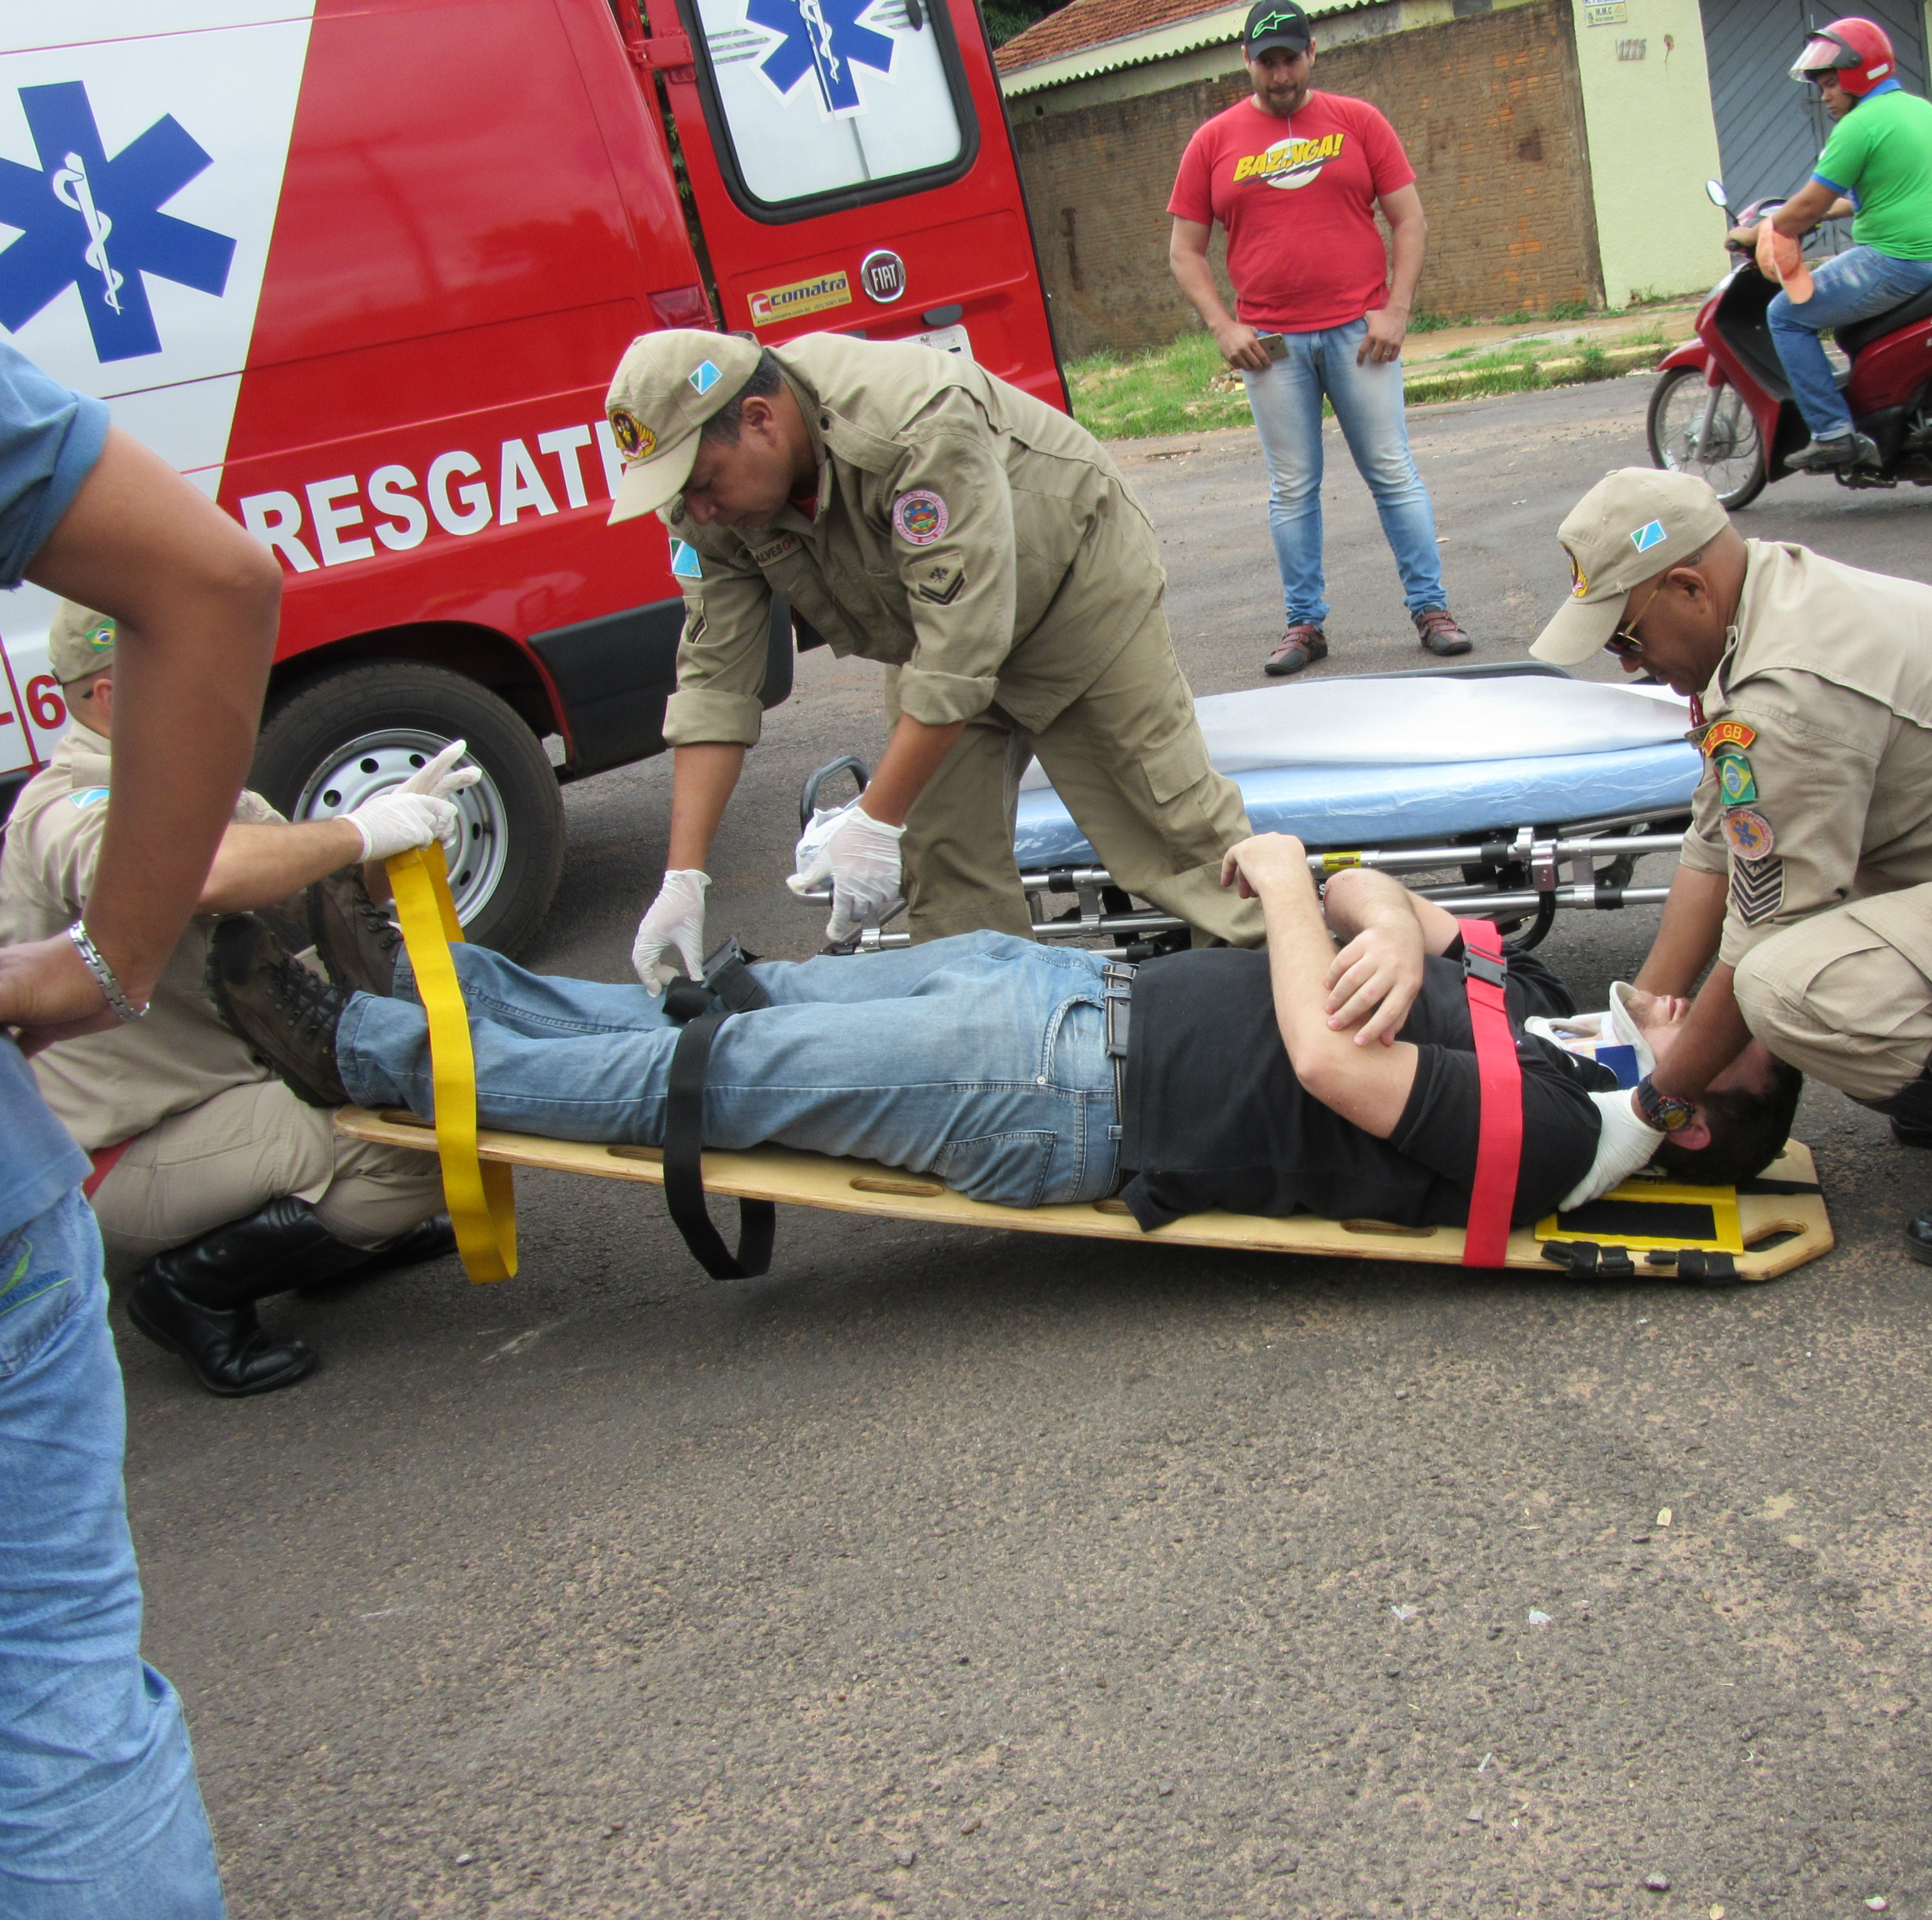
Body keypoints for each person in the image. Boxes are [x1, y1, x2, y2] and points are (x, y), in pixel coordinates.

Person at [208, 834, 1804, 1237]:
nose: (1689, 998)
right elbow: (1394, 900)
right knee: (718, 1011)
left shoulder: (1564, 1140)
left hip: (1062, 1099)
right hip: (1059, 1004)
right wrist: (1375, 913)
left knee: (714, 1075)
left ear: (1699, 1117)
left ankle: (353, 1052)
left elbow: (1325, 1065)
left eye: (1718, 1032)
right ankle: (446, 1007)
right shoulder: (1561, 1032)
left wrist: (1275, 884)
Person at [1531, 468, 1932, 1267]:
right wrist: (1644, 1008)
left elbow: (1758, 936)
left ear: (1689, 588)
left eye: (1626, 637)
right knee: (1808, 895)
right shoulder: (1769, 602)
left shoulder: (1789, 693)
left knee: (1788, 984)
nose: (1627, 664)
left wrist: (1653, 1106)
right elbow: (1717, 843)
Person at [0, 343, 283, 1915]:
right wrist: (112, 958)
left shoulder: (135, 765)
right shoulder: (70, 798)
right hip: (116, 1156)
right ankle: (200, 1273)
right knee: (49, 1682)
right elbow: (220, 581)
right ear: (90, 685)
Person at [604, 329, 1259, 985]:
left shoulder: (911, 422)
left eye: (703, 481)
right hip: (932, 626)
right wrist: (683, 877)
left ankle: (1280, 1005)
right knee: (941, 862)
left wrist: (873, 818)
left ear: (759, 420)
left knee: (1172, 828)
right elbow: (715, 678)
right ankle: (1003, 1040)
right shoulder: (707, 509)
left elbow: (961, 647)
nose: (696, 508)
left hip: (1071, 591)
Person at [0, 602, 459, 1398]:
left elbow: (306, 884)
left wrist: (397, 836)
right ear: (111, 694)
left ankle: (331, 1247)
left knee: (429, 1100)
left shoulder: (183, 782)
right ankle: (186, 1292)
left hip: (220, 1100)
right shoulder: (65, 807)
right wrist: (357, 833)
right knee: (426, 1141)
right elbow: (195, 875)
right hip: (120, 1150)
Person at [1168, 0, 1473, 678]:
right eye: (1266, 61)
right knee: (1292, 487)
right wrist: (1224, 325)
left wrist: (1397, 309)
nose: (1280, 74)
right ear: (1247, 62)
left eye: (1290, 58)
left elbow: (1410, 220)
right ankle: (1304, 624)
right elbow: (1185, 251)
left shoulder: (1358, 122)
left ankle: (1431, 609)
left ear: (1311, 54)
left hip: (1358, 334)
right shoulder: (1213, 142)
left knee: (1392, 474)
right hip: (1270, 344)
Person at [1724, 16, 1932, 474]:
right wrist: (1821, 211)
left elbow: (1804, 209)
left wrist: (1755, 232)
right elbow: (1871, 196)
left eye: (1829, 84)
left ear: (1857, 75)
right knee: (1849, 327)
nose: (1824, 97)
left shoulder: (1859, 127)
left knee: (1785, 315)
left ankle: (1832, 434)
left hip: (1904, 261)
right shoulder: (1921, 110)